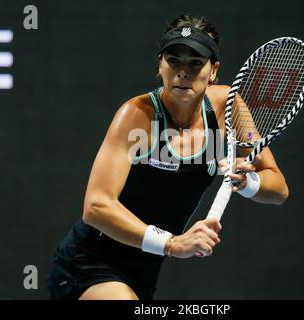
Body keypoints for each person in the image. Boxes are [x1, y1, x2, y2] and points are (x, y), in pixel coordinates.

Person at [45, 14, 289, 300]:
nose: (183, 72)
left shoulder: (229, 107)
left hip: (145, 271)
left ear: (214, 71)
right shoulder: (136, 116)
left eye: (196, 62)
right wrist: (172, 244)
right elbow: (96, 207)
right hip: (88, 263)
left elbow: (278, 188)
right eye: (174, 60)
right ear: (160, 65)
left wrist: (248, 182)